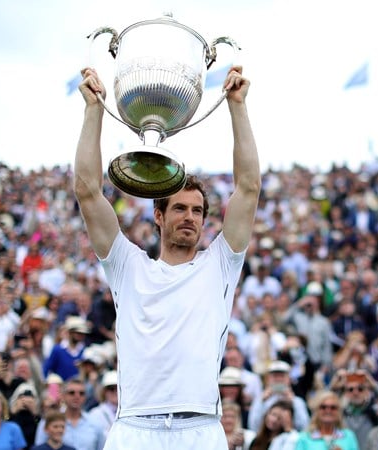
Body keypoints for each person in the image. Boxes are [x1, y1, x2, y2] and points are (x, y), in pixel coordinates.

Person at [74, 65, 260, 450]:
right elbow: (88, 191)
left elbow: (249, 188)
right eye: (179, 208)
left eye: (197, 211)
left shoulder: (220, 265)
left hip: (201, 428)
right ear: (158, 216)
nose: (189, 217)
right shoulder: (128, 265)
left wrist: (238, 107)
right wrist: (94, 109)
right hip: (134, 426)